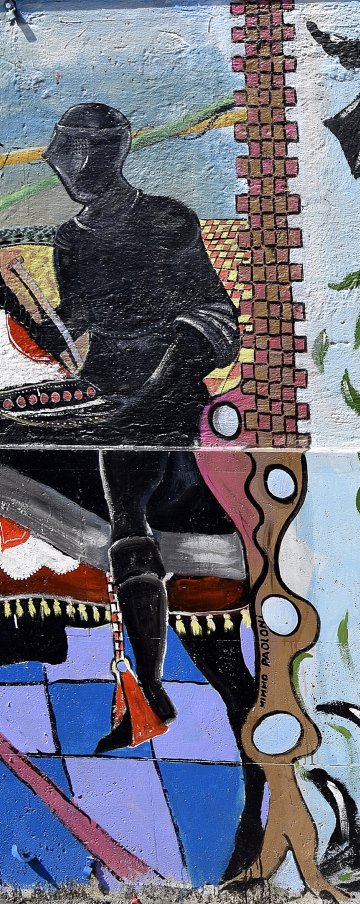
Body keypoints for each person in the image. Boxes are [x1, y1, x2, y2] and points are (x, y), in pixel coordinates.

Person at [0, 102, 241, 752]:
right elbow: (76, 328)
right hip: (104, 390)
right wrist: (39, 324)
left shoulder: (169, 220)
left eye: (78, 156)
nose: (68, 169)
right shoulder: (70, 239)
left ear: (106, 156)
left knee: (126, 495)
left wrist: (159, 376)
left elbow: (215, 316)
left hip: (166, 394)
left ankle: (149, 691)